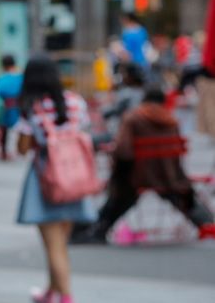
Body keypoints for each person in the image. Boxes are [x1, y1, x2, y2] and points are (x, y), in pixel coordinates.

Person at [74, 87, 215, 244]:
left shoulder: (133, 117)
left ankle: (99, 228)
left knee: (121, 192)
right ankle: (207, 224)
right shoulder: (171, 120)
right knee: (182, 195)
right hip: (168, 176)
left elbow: (124, 151)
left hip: (137, 176)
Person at [15, 55, 95, 303]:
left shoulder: (33, 107)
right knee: (61, 242)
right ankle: (51, 291)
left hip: (46, 179)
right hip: (75, 178)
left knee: (53, 245)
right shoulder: (75, 102)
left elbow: (23, 147)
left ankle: (66, 297)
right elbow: (82, 130)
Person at [0, 54, 24, 160]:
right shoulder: (21, 77)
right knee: (19, 130)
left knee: (4, 131)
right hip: (19, 109)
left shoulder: (1, 79)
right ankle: (19, 150)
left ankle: (4, 152)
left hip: (4, 109)